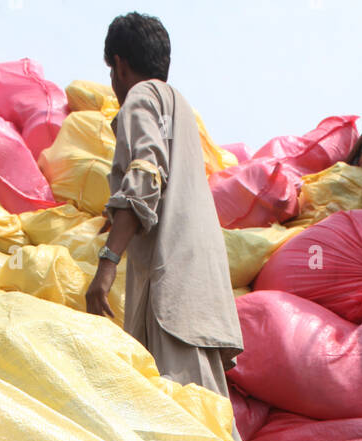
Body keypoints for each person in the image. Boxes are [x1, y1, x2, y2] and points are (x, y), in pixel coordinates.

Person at [85, 12, 243, 404]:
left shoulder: (141, 96)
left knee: (185, 429)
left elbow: (146, 173)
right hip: (200, 299)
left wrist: (107, 264)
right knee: (208, 426)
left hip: (172, 297)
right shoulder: (180, 107)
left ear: (119, 65)